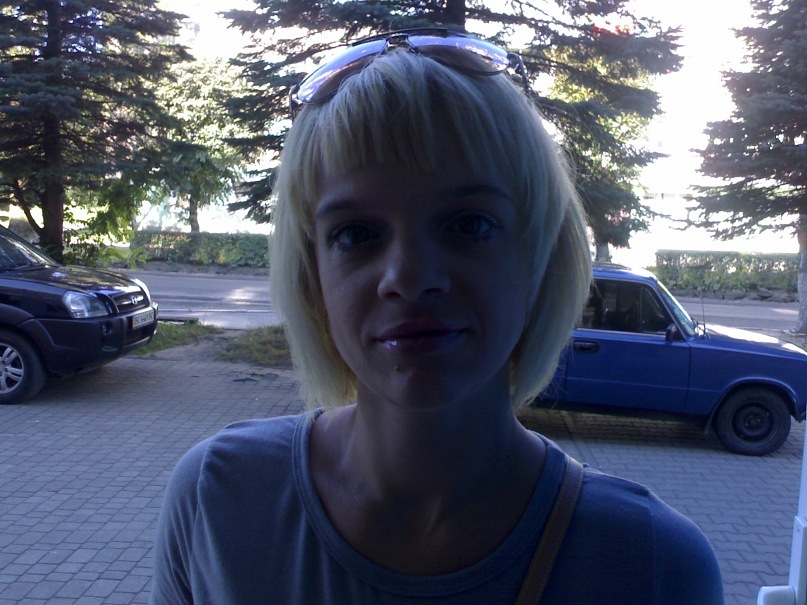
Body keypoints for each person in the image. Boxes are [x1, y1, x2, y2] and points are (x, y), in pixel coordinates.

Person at [150, 29, 724, 604]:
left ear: (540, 256)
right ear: (311, 277)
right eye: (356, 234)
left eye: (469, 224)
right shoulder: (216, 501)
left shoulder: (653, 567)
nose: (408, 277)